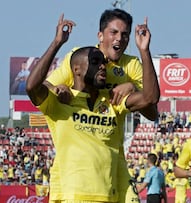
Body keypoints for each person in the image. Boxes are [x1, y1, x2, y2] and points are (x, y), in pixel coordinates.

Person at [26, 11, 159, 203]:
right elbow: (38, 87)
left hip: (115, 166)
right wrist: (56, 88)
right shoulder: (79, 57)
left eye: (125, 35)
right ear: (100, 36)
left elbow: (151, 105)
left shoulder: (131, 67)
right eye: (114, 32)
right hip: (74, 186)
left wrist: (134, 84)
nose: (119, 39)